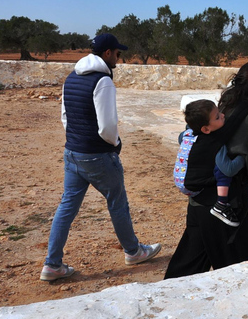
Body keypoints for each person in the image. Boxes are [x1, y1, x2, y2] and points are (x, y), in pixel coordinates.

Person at [41, 33, 161, 282]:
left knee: (66, 208)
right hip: (97, 155)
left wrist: (78, 139)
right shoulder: (103, 81)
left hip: (72, 152)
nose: (119, 57)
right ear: (107, 53)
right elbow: (108, 127)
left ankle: (52, 264)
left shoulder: (71, 77)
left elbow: (65, 117)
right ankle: (133, 251)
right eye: (118, 53)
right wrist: (116, 144)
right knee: (117, 202)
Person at [164, 59, 248, 279]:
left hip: (199, 201)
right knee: (246, 273)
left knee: (186, 269)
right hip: (227, 206)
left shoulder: (222, 105)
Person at [182, 99, 247, 227]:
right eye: (217, 117)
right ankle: (221, 204)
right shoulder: (214, 143)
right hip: (196, 188)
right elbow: (229, 169)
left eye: (220, 112)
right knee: (222, 170)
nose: (223, 115)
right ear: (206, 129)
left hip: (183, 178)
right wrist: (243, 158)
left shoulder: (188, 134)